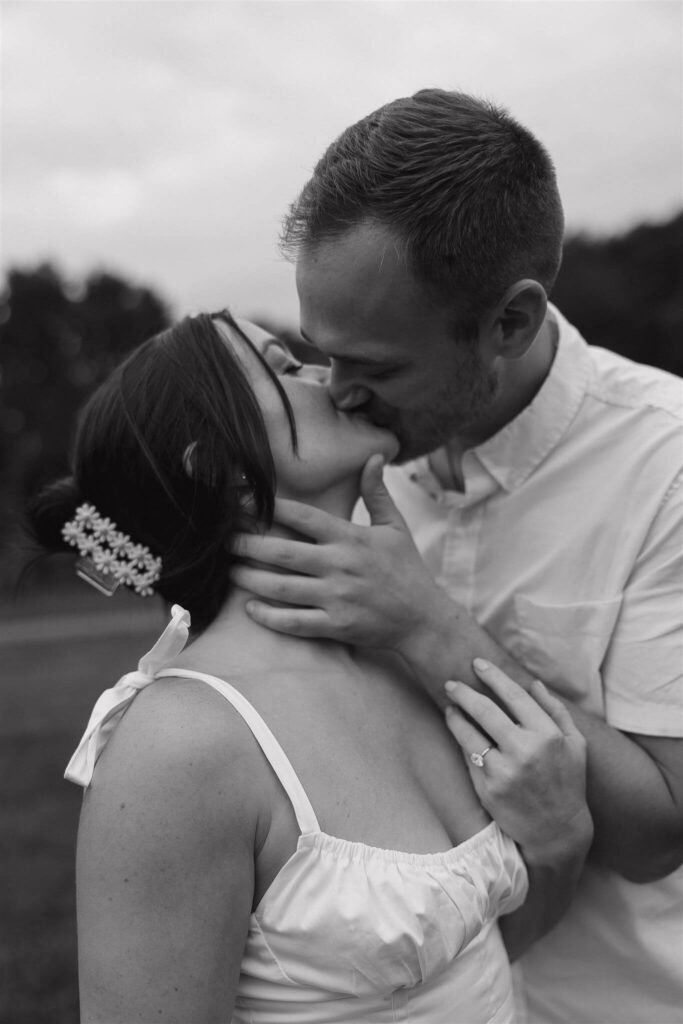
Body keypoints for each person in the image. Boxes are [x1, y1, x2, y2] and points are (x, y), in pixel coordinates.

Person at [232, 90, 683, 1024]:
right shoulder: (337, 468)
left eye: (379, 369)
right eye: (323, 354)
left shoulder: (665, 465)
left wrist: (429, 627)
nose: (340, 397)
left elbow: (656, 830)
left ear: (508, 324)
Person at [29, 311, 591, 1024]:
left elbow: (483, 957)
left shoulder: (400, 660)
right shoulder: (181, 747)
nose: (331, 377)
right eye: (285, 367)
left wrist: (561, 839)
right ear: (221, 468)